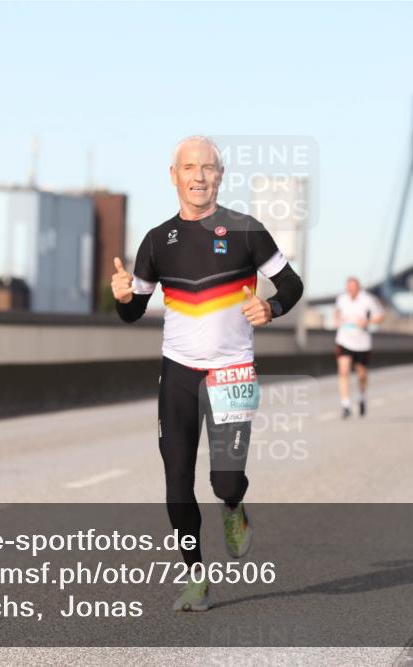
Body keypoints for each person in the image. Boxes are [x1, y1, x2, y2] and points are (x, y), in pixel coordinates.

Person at [112, 136, 303, 612]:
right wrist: (122, 297)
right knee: (176, 480)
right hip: (177, 372)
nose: (199, 176)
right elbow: (134, 312)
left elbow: (292, 284)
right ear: (173, 175)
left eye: (209, 168)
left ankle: (234, 508)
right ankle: (196, 577)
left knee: (225, 483)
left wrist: (271, 306)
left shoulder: (246, 230)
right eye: (189, 167)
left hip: (232, 371)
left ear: (221, 175)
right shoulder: (156, 241)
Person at [334, 277, 385, 418]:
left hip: (362, 342)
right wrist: (336, 320)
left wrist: (368, 321)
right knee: (343, 370)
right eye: (349, 287)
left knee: (361, 373)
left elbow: (380, 316)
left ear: (358, 287)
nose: (351, 289)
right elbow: (337, 311)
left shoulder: (368, 299)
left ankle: (362, 397)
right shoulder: (342, 299)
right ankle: (345, 405)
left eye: (353, 287)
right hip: (343, 339)